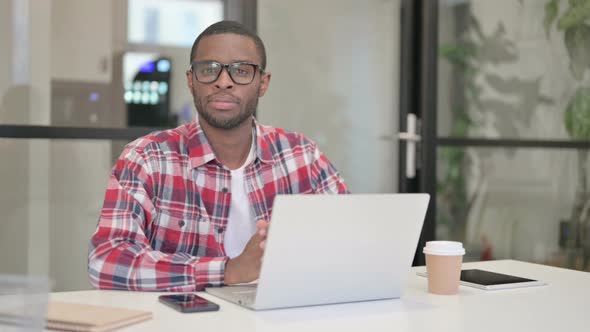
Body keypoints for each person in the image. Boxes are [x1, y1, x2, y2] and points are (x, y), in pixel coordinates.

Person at [88, 21, 348, 291]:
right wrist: (227, 271)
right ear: (191, 80)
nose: (223, 82)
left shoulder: (302, 156)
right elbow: (106, 261)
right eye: (209, 70)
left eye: (242, 71)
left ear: (263, 83)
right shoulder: (147, 158)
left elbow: (354, 241)